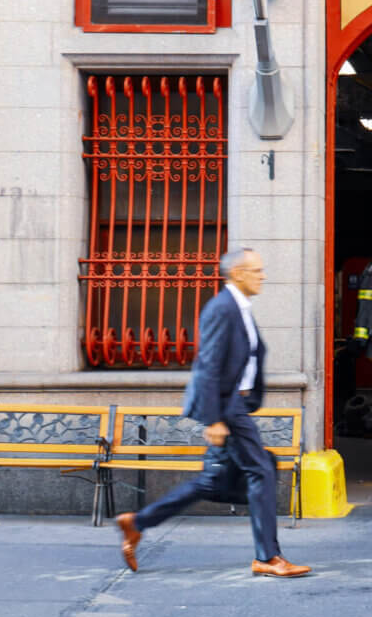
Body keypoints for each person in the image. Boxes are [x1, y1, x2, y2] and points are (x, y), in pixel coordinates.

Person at [115, 248, 311, 578]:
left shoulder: (239, 308)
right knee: (261, 470)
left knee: (213, 481)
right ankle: (267, 556)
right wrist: (215, 418)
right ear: (237, 273)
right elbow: (207, 366)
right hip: (226, 404)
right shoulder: (223, 309)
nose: (263, 275)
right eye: (256, 270)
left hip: (234, 403)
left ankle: (137, 522)